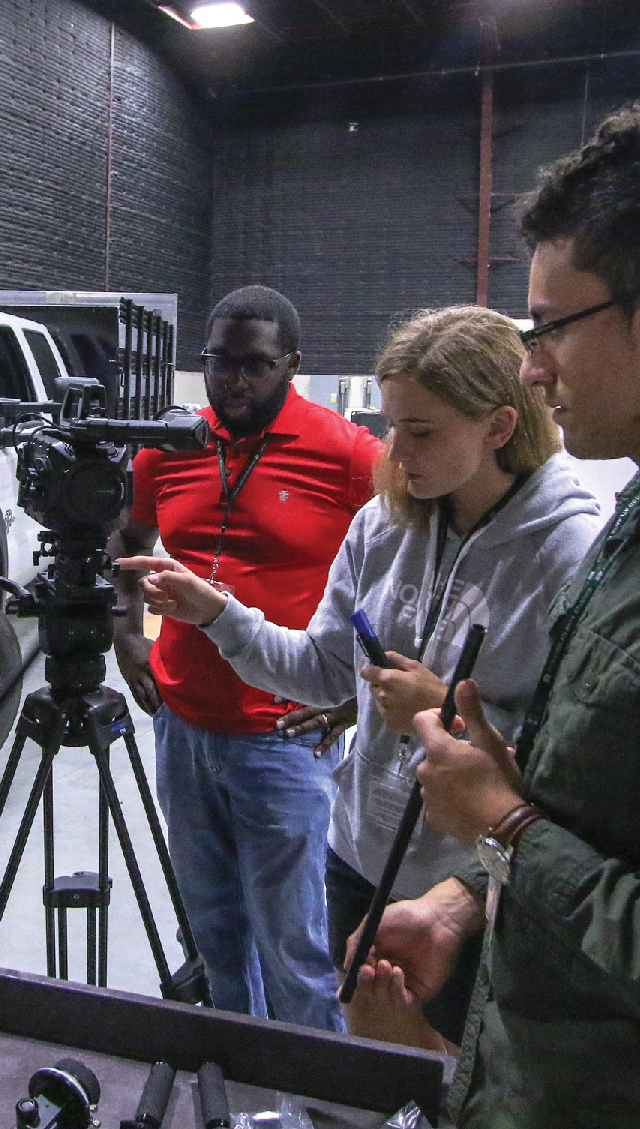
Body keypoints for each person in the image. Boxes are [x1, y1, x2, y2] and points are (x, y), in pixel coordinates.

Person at [358, 102, 640, 1126]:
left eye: (551, 329)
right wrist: (468, 899)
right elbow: (615, 827)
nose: (530, 368)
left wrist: (502, 821)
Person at [121, 305, 601, 1048]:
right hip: (359, 858)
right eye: (390, 424)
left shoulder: (567, 553)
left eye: (420, 430)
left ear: (498, 427)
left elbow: (581, 762)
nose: (393, 449)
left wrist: (439, 708)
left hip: (475, 886)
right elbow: (318, 668)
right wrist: (218, 615)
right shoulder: (384, 525)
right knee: (365, 1063)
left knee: (454, 1075)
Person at [108, 285, 383, 1029]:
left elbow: (401, 576)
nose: (233, 381)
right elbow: (127, 541)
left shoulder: (351, 455)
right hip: (183, 728)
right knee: (215, 935)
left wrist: (356, 694)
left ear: (289, 364)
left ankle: (310, 1100)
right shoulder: (170, 448)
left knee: (295, 947)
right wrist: (126, 631)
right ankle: (235, 1089)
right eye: (218, 364)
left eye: (254, 366)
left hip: (284, 738)